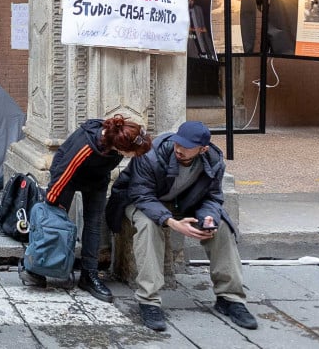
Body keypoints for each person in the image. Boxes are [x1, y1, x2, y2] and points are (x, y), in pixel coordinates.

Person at [106, 120, 259, 333]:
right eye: (178, 143)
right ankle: (149, 301)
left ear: (202, 149)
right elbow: (141, 194)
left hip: (184, 203)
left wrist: (208, 219)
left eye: (187, 147)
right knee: (149, 225)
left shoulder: (214, 161)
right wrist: (172, 222)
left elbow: (213, 198)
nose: (179, 149)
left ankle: (230, 298)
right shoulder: (151, 153)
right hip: (138, 200)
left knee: (221, 226)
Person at [20, 115, 151, 301]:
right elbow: (64, 171)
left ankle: (89, 275)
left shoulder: (116, 142)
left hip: (97, 178)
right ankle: (37, 268)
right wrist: (52, 200)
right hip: (67, 176)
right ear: (122, 147)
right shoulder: (87, 146)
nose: (135, 156)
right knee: (52, 223)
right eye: (134, 153)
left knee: (94, 223)